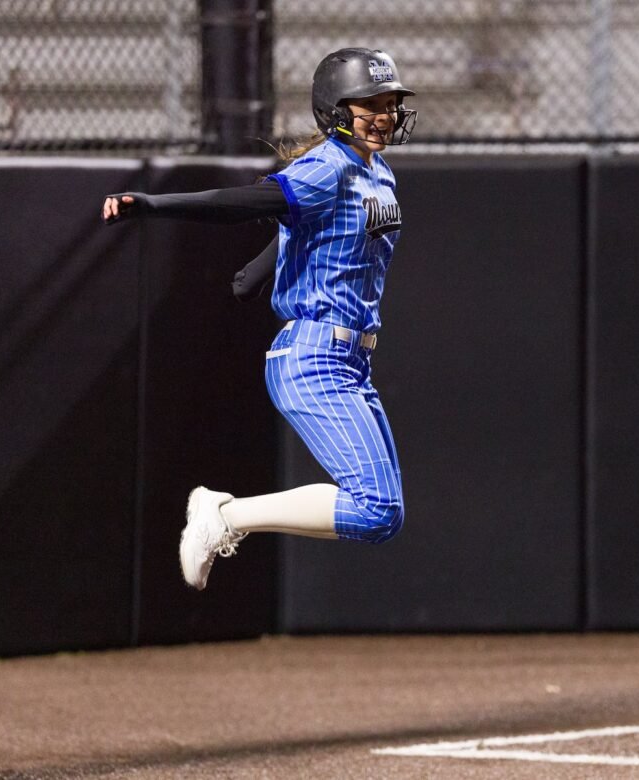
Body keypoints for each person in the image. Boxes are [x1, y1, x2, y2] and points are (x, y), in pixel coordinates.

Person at [101, 47, 417, 590]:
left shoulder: (377, 171)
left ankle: (223, 515)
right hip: (315, 356)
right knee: (373, 506)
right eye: (370, 103)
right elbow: (245, 201)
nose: (384, 114)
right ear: (335, 109)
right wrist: (156, 205)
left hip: (349, 359)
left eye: (390, 103)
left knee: (383, 517)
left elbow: (310, 224)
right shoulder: (328, 165)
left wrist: (257, 270)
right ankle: (222, 517)